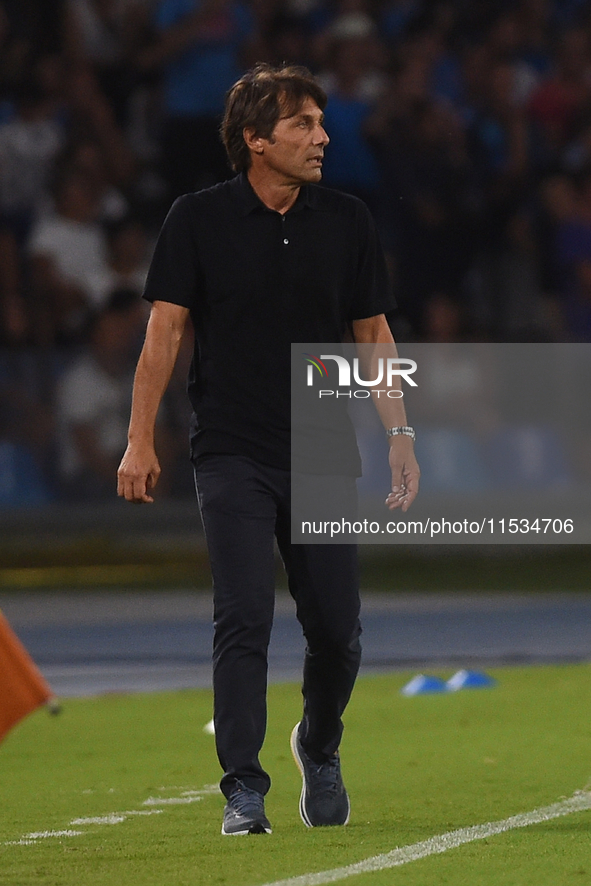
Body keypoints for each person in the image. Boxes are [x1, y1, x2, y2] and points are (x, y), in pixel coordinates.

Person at [117, 63, 419, 836]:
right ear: (256, 141)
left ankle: (318, 744)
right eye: (303, 126)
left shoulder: (347, 220)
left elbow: (372, 336)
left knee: (337, 631)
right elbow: (165, 332)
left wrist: (399, 435)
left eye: (321, 124)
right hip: (231, 449)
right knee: (243, 614)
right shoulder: (196, 218)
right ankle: (243, 788)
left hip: (322, 446)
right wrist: (137, 440)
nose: (322, 138)